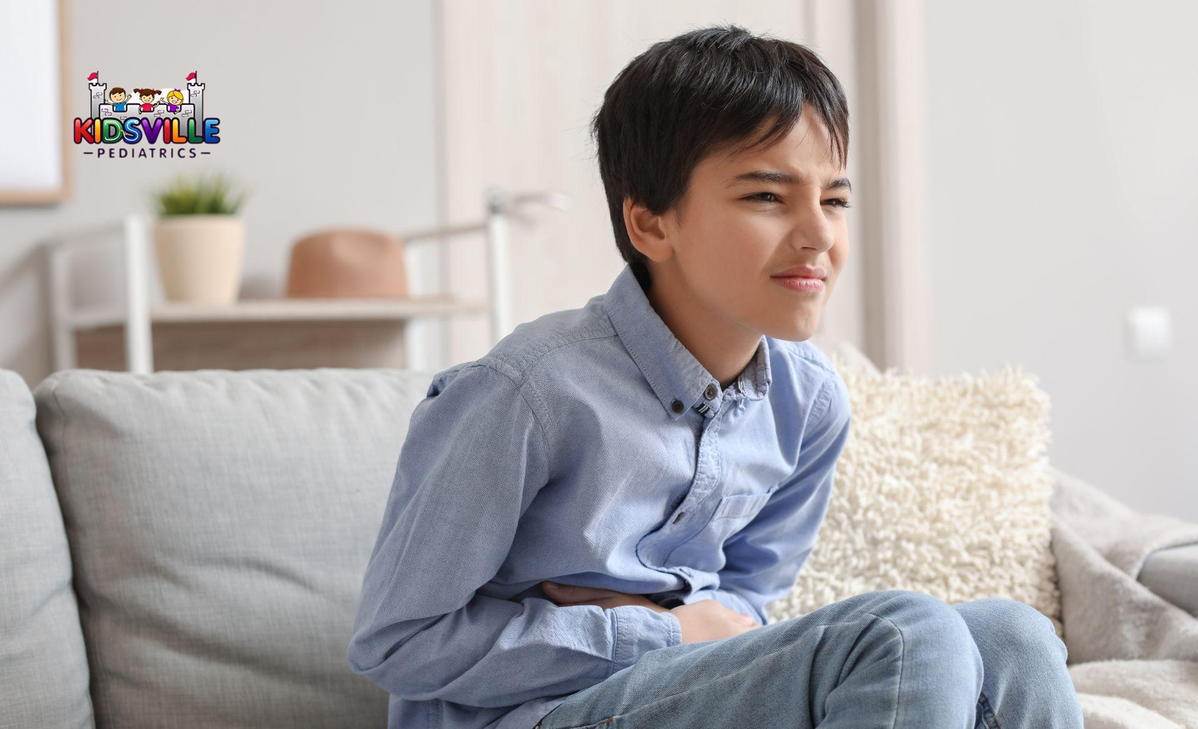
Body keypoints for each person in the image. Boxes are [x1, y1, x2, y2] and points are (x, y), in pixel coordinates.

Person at [346, 23, 1086, 729]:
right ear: (651, 224)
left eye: (833, 199)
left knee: (1011, 635)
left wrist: (685, 628)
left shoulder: (810, 401)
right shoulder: (527, 393)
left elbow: (744, 605)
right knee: (902, 631)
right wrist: (653, 632)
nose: (819, 235)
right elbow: (398, 642)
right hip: (535, 712)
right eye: (767, 196)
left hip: (697, 690)